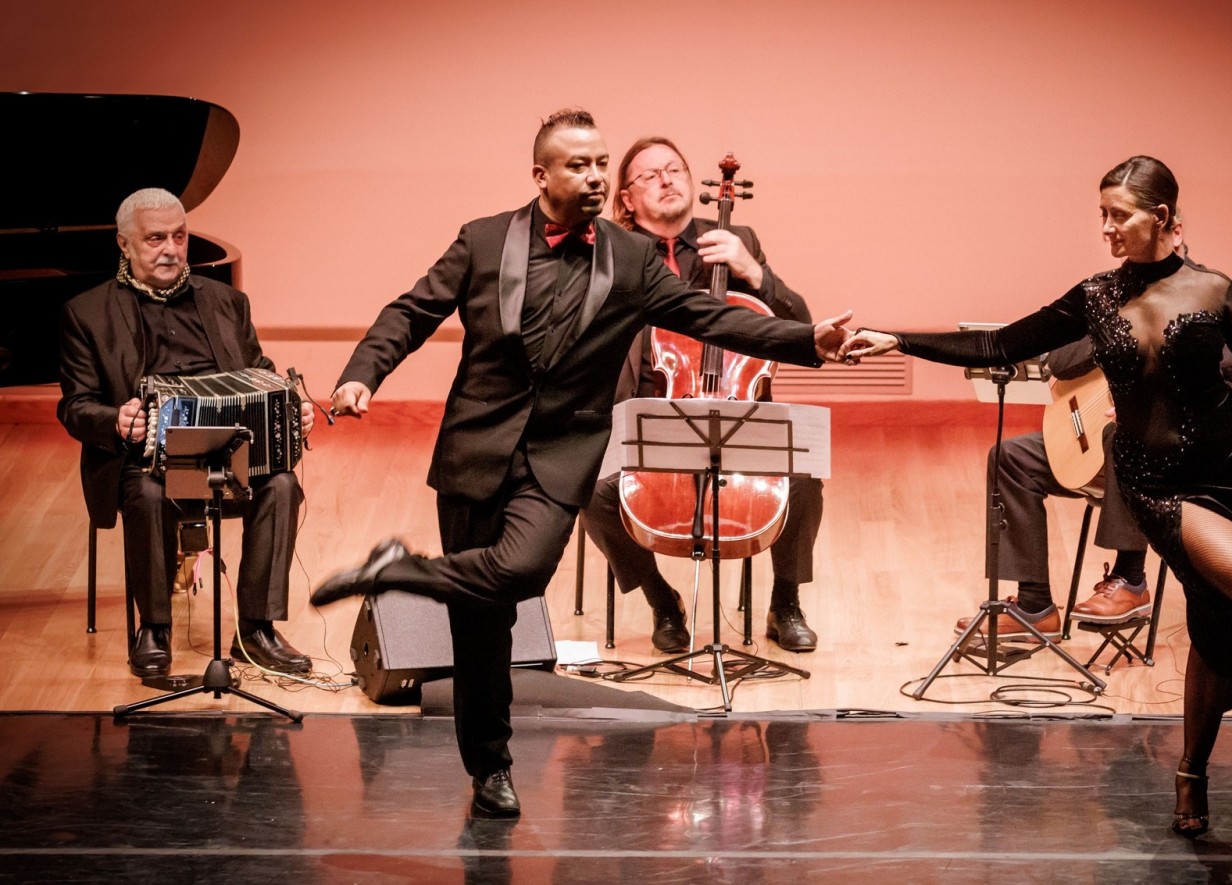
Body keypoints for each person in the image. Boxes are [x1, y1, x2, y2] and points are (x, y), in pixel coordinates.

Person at [310, 109, 852, 819]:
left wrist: (809, 339)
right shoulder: (482, 240)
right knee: (482, 621)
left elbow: (713, 317)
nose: (595, 175)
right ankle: (491, 767)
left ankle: (396, 571)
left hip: (559, 457)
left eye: (601, 163)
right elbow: (410, 312)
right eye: (579, 165)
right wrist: (362, 374)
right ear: (541, 175)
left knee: (522, 571)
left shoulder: (629, 258)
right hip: (475, 448)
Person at [844, 155, 1232, 838]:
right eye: (1102, 215)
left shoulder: (1214, 289)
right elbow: (1001, 341)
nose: (1106, 228)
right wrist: (899, 338)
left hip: (1231, 469)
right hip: (1154, 483)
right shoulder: (1094, 296)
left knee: (1217, 633)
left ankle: (1190, 775)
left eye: (1118, 215)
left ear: (1163, 218)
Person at [57, 187, 315, 679]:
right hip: (144, 461)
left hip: (227, 458)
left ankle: (255, 630)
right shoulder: (86, 314)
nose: (171, 249)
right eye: (155, 239)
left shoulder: (227, 302)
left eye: (179, 236)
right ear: (124, 244)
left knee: (282, 485)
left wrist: (289, 406)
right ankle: (154, 629)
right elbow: (74, 406)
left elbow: (260, 370)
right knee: (149, 493)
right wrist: (116, 419)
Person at [582, 136, 824, 654]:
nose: (667, 179)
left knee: (802, 480)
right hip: (641, 413)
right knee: (591, 491)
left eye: (675, 169)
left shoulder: (737, 240)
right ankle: (662, 601)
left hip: (734, 408)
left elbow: (801, 328)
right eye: (650, 175)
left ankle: (785, 602)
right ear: (626, 198)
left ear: (696, 185)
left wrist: (753, 271)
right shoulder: (610, 253)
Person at [953, 337, 1153, 643]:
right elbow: (1061, 362)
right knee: (1010, 458)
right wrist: (1118, 330)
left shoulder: (1205, 308)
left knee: (1127, 438)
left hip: (1163, 452)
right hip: (1096, 435)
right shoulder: (1115, 297)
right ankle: (1035, 606)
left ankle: (1131, 579)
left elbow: (1227, 385)